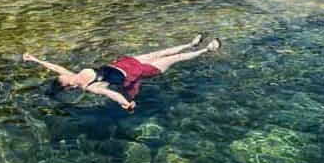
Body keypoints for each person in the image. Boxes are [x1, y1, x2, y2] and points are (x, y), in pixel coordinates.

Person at [22, 34, 221, 111]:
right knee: (173, 59)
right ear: (67, 85)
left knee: (160, 51)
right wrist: (125, 103)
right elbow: (111, 93)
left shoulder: (73, 75)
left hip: (126, 63)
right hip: (139, 72)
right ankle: (206, 50)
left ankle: (191, 43)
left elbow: (55, 67)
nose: (62, 73)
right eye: (62, 78)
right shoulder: (90, 87)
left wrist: (35, 59)